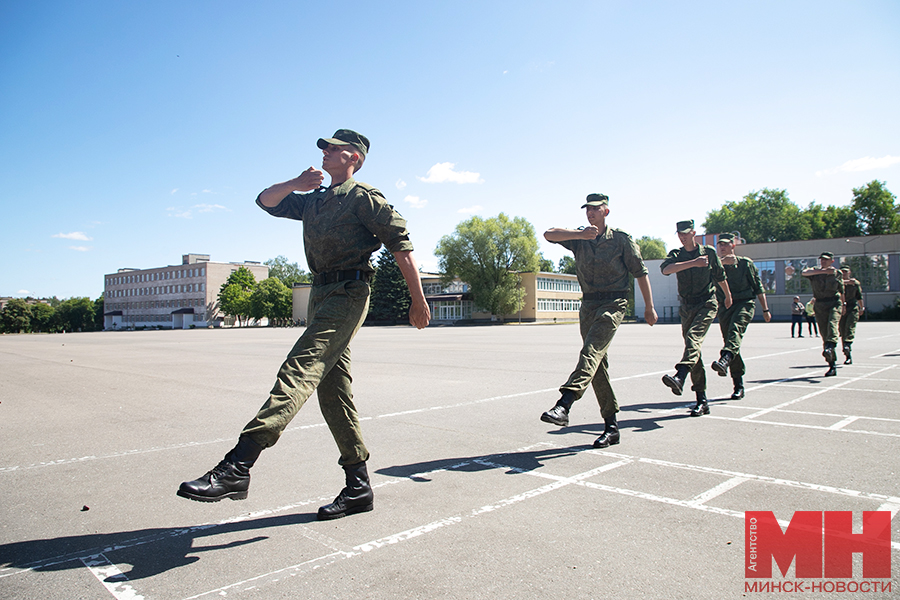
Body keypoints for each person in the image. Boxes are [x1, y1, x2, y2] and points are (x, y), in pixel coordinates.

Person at [178, 129, 431, 520]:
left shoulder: (364, 198)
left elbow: (402, 245)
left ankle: (238, 465)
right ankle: (359, 487)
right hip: (320, 294)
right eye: (325, 148)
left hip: (350, 291)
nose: (327, 153)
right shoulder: (315, 201)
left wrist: (418, 298)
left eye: (335, 149)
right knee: (333, 391)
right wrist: (295, 183)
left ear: (355, 158)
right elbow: (266, 201)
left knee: (300, 367)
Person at [540, 194, 658, 448]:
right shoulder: (580, 239)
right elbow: (548, 234)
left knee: (590, 352)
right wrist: (579, 235)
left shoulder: (621, 240)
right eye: (587, 209)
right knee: (596, 365)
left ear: (606, 212)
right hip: (589, 304)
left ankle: (565, 403)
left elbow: (640, 272)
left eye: (595, 209)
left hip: (614, 304)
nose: (590, 213)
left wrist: (649, 306)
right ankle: (612, 427)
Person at [660, 220, 732, 416]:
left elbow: (719, 275)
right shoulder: (676, 255)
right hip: (687, 306)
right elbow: (665, 269)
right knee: (694, 351)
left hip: (707, 303)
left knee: (693, 338)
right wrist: (694, 263)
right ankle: (702, 400)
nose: (682, 237)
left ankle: (681, 375)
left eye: (685, 233)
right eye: (679, 234)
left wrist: (727, 296)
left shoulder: (708, 252)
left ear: (693, 232)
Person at [710, 233, 771, 400]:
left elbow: (758, 287)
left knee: (734, 333)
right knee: (731, 342)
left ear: (733, 246)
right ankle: (738, 384)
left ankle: (724, 359)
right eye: (720, 245)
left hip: (744, 303)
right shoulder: (716, 265)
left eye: (725, 244)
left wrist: (765, 310)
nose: (722, 247)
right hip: (725, 307)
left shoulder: (745, 263)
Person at [801, 252, 844, 377]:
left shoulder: (837, 273)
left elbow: (841, 290)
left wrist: (844, 304)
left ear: (832, 261)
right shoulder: (815, 272)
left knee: (832, 324)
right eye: (822, 260)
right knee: (825, 333)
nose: (823, 262)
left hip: (834, 303)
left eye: (826, 260)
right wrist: (821, 272)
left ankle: (830, 347)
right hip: (820, 305)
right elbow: (804, 273)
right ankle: (831, 364)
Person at [839, 266, 864, 364]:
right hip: (841, 309)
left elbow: (859, 296)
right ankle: (847, 353)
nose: (844, 273)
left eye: (845, 272)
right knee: (842, 331)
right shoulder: (838, 283)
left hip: (852, 308)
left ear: (849, 272)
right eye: (842, 272)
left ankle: (847, 347)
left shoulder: (854, 283)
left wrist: (861, 307)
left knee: (850, 328)